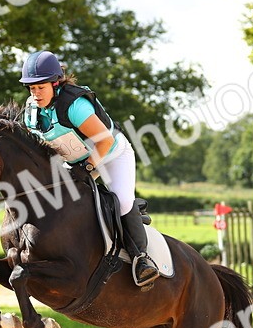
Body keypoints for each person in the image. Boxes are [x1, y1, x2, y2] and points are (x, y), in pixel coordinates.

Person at [19, 50, 159, 287]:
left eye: (40, 87)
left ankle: (142, 259)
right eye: (31, 88)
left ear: (55, 83)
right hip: (75, 161)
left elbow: (104, 141)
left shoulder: (75, 106)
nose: (35, 93)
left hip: (112, 154)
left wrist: (88, 167)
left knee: (122, 201)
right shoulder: (32, 111)